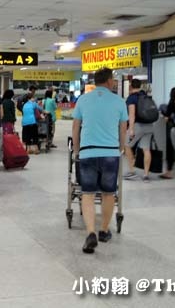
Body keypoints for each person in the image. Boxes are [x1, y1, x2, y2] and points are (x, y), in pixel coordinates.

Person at [72, 67, 128, 254]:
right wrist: (121, 148)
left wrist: (77, 150)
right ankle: (103, 230)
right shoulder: (119, 101)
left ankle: (91, 232)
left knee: (87, 193)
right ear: (109, 81)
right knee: (108, 193)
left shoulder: (83, 99)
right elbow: (123, 130)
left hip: (88, 153)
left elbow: (76, 127)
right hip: (110, 153)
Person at [123, 79, 154, 182]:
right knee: (146, 149)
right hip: (149, 125)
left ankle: (132, 172)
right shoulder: (146, 96)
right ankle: (146, 175)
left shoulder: (132, 98)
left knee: (126, 145)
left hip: (138, 126)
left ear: (131, 86)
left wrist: (131, 129)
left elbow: (131, 114)